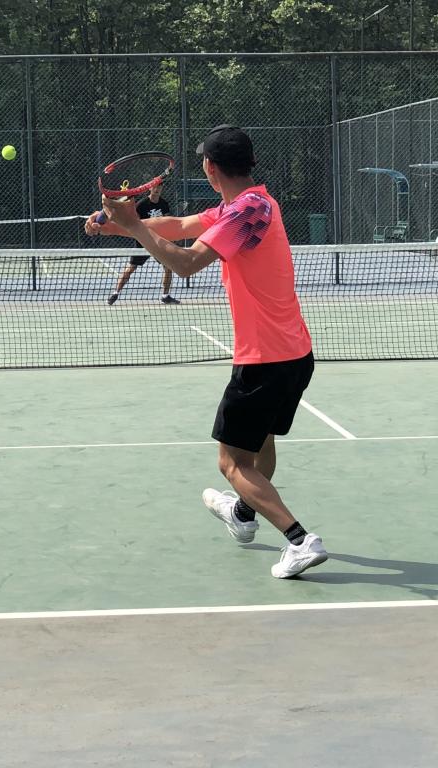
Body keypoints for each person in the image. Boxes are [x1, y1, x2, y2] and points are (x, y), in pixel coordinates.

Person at [86, 125, 326, 579]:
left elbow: (186, 261)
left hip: (263, 360)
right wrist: (115, 224)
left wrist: (132, 225)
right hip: (295, 354)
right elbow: (177, 227)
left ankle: (300, 540)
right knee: (260, 443)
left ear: (210, 168)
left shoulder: (245, 212)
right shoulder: (251, 205)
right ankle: (244, 513)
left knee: (231, 462)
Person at [106, 184, 180, 305]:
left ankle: (165, 296)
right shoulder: (142, 205)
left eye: (159, 187)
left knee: (168, 267)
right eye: (155, 187)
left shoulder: (164, 204)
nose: (157, 189)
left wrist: (170, 238)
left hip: (158, 241)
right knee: (131, 268)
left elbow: (167, 222)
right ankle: (115, 293)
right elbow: (134, 221)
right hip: (143, 241)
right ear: (150, 188)